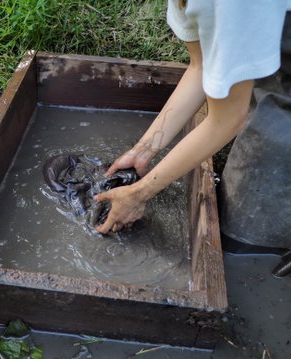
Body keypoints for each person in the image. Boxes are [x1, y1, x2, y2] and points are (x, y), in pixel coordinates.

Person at [95, 1, 291, 235]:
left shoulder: (232, 8)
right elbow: (201, 67)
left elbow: (226, 120)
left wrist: (139, 194)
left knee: (249, 228)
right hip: (260, 17)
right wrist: (143, 150)